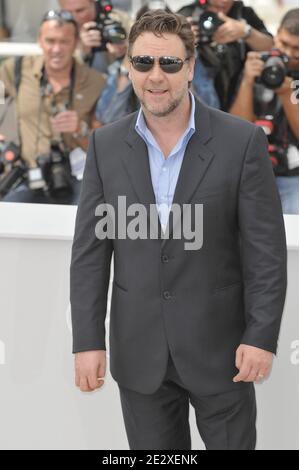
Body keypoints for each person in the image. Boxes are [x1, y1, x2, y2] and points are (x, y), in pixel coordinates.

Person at [70, 10, 287, 450]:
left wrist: (260, 336)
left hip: (223, 353)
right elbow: (90, 254)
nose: (156, 76)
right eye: (143, 62)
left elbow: (266, 251)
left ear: (189, 67)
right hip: (139, 354)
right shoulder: (105, 146)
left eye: (169, 63)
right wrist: (87, 340)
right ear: (129, 65)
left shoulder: (241, 141)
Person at [0, 9, 106, 204]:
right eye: (50, 41)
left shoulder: (96, 82)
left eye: (64, 42)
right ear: (40, 41)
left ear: (75, 43)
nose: (56, 49)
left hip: (76, 180)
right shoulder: (16, 68)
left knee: (86, 224)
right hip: (28, 176)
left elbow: (107, 149)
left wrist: (79, 129)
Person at [230, 8, 299, 214]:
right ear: (276, 34)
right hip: (250, 172)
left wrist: (287, 94)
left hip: (292, 175)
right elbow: (235, 130)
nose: (288, 53)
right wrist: (247, 81)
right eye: (284, 43)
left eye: (297, 48)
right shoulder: (257, 63)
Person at [178, 0, 274, 110]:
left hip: (240, 96)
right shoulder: (188, 14)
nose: (223, 1)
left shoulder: (243, 13)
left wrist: (246, 32)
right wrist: (183, 40)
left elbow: (270, 47)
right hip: (198, 102)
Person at [59, 0, 133, 73]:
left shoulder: (119, 19)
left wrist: (126, 50)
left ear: (93, 3)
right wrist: (83, 53)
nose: (74, 17)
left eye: (80, 10)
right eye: (67, 13)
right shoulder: (59, 28)